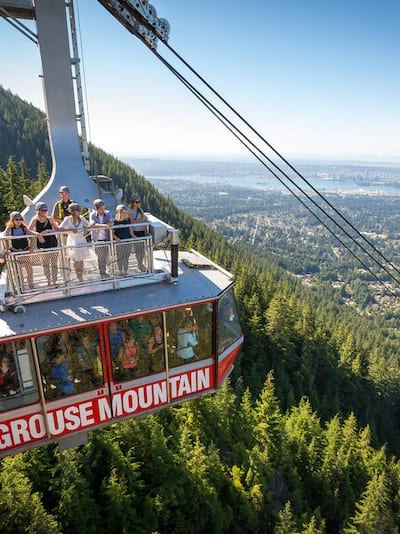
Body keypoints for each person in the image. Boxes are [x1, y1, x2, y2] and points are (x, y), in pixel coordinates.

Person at [3, 211, 40, 290]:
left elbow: (30, 235)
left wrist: (31, 246)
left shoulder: (23, 227)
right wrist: (7, 249)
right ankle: (21, 286)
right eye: (16, 219)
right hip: (16, 252)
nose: (18, 221)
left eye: (20, 219)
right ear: (12, 220)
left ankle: (31, 283)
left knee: (29, 269)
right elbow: (5, 238)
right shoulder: (9, 228)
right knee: (18, 271)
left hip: (25, 250)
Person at [59, 204, 93, 283]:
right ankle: (78, 276)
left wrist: (86, 229)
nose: (79, 212)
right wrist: (70, 229)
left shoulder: (81, 218)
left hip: (81, 239)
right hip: (72, 240)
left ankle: (81, 276)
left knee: (81, 260)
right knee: (75, 260)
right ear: (73, 212)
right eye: (77, 210)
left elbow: (88, 225)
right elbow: (60, 228)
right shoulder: (67, 219)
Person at [28, 202, 59, 286]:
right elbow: (28, 230)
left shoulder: (49, 219)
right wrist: (38, 234)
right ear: (38, 211)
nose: (45, 212)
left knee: (54, 263)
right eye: (43, 210)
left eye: (46, 210)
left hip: (52, 242)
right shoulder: (35, 220)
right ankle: (49, 280)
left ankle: (55, 281)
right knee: (45, 264)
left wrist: (48, 231)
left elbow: (57, 229)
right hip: (42, 243)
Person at [90, 199, 113, 279]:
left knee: (106, 256)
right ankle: (102, 273)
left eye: (104, 208)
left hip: (106, 238)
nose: (103, 210)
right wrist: (105, 225)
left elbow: (110, 222)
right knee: (100, 257)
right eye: (101, 209)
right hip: (97, 239)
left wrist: (102, 225)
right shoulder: (93, 214)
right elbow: (93, 224)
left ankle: (108, 271)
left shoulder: (107, 213)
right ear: (97, 209)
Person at [127, 194, 148, 271]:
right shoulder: (130, 211)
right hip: (135, 231)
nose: (139, 203)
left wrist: (143, 218)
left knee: (141, 249)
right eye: (137, 202)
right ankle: (140, 264)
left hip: (142, 230)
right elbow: (132, 222)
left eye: (139, 201)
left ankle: (140, 263)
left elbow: (144, 217)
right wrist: (142, 220)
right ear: (133, 203)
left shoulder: (140, 209)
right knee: (138, 248)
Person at [113, 204, 135, 275]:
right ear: (119, 212)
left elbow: (130, 228)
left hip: (127, 240)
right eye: (123, 212)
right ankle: (120, 271)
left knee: (126, 257)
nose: (125, 214)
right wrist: (116, 238)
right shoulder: (115, 222)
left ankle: (125, 270)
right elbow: (111, 232)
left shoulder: (127, 220)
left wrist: (133, 235)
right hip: (119, 242)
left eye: (126, 212)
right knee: (119, 257)